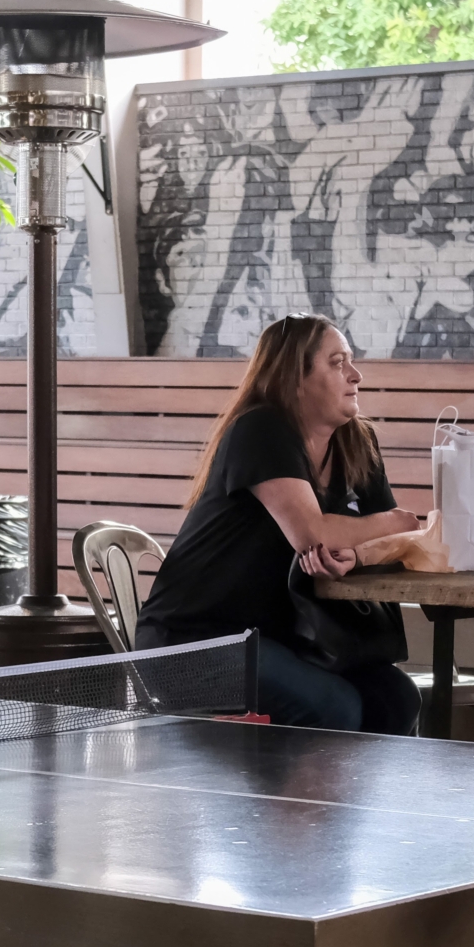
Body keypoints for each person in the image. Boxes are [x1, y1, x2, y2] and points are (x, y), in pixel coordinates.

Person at [135, 314, 424, 733]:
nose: (356, 375)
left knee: (396, 699)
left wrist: (359, 552)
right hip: (192, 642)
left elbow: (394, 544)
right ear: (294, 378)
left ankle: (356, 802)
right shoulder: (261, 428)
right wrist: (395, 522)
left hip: (282, 637)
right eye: (337, 362)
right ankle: (293, 800)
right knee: (334, 707)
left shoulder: (357, 443)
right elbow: (314, 534)